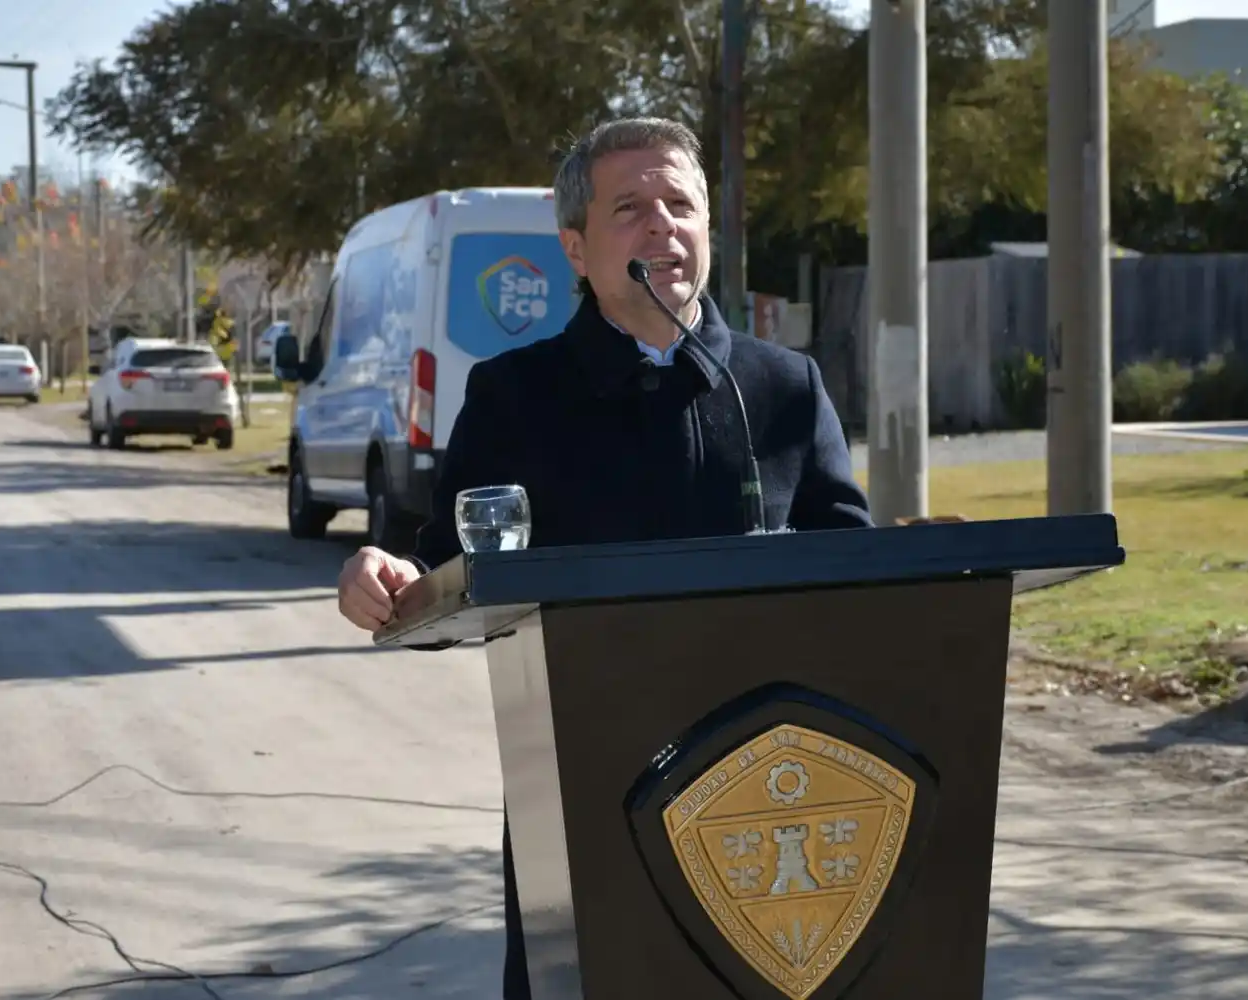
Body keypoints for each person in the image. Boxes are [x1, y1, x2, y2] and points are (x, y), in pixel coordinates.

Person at [336, 115, 874, 998]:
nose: (661, 224)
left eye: (679, 203)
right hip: (583, 786)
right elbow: (447, 575)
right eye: (630, 208)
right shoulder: (514, 396)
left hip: (769, 787)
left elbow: (849, 575)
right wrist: (386, 574)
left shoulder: (784, 389)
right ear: (576, 250)